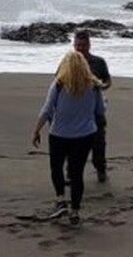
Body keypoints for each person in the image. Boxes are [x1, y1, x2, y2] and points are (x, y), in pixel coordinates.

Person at [31, 52, 105, 225]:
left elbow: (47, 110)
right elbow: (100, 110)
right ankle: (75, 210)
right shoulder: (94, 86)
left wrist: (36, 130)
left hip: (59, 134)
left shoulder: (58, 84)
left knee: (56, 168)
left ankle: (60, 199)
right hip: (85, 135)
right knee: (77, 173)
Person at [73, 30, 112, 183]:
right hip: (75, 109)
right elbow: (59, 81)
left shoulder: (99, 62)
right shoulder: (69, 62)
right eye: (77, 45)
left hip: (95, 108)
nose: (80, 48)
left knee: (98, 143)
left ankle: (101, 169)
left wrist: (101, 86)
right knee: (74, 143)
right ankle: (72, 172)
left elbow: (108, 80)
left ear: (89, 45)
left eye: (82, 45)